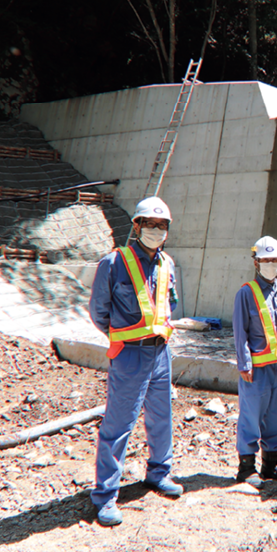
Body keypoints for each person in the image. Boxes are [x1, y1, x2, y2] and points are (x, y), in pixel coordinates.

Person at [88, 196, 183, 527]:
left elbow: (171, 304)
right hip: (129, 354)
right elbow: (98, 312)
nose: (156, 230)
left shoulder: (167, 264)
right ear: (137, 226)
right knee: (118, 425)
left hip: (160, 352)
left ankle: (159, 472)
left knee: (161, 416)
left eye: (162, 226)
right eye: (150, 224)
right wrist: (124, 336)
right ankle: (105, 495)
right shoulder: (114, 263)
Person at [232, 236, 277, 488]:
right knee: (251, 416)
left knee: (275, 417)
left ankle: (270, 466)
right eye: (266, 260)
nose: (271, 264)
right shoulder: (246, 293)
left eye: (275, 260)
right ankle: (246, 468)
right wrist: (244, 363)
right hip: (257, 369)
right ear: (256, 262)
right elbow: (240, 331)